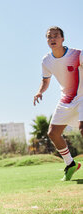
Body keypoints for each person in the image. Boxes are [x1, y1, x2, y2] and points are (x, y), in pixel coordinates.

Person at [33, 26, 82, 181]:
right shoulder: (46, 60)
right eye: (49, 37)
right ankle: (70, 164)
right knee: (53, 133)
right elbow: (45, 80)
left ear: (62, 39)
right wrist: (40, 91)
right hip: (66, 99)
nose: (52, 39)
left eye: (56, 36)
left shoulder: (77, 54)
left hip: (82, 96)